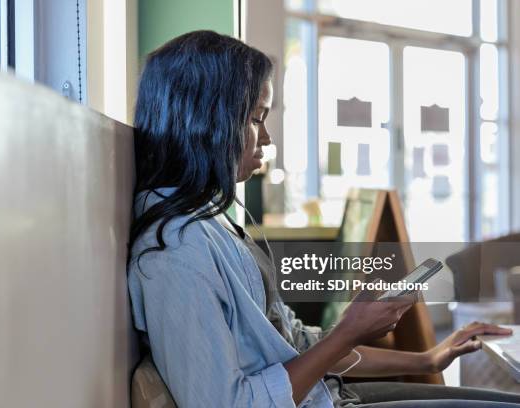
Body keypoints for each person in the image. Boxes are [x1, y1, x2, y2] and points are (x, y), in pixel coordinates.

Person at [127, 30, 520, 407]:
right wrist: (349, 331)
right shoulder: (175, 253)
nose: (266, 139)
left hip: (326, 395)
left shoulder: (209, 224)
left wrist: (427, 360)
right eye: (256, 118)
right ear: (208, 122)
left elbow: (298, 346)